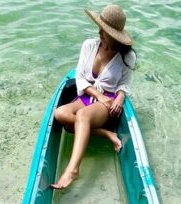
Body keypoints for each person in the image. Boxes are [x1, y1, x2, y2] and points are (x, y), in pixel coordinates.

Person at [51, 4, 136, 189]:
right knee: (60, 114)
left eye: (104, 30)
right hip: (90, 94)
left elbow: (124, 83)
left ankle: (73, 170)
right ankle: (106, 133)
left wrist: (119, 97)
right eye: (100, 28)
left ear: (114, 36)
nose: (100, 32)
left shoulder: (127, 57)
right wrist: (97, 95)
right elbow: (80, 77)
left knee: (81, 116)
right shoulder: (89, 45)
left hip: (108, 100)